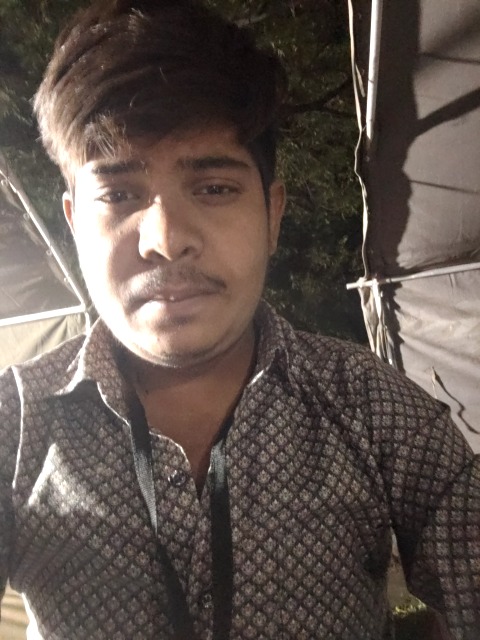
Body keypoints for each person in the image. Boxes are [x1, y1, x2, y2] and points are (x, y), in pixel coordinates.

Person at [0, 0, 479, 638]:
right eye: (117, 194)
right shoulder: (16, 425)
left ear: (272, 215)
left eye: (214, 188)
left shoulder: (374, 408)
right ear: (73, 223)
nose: (165, 240)